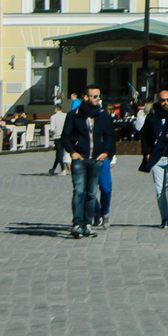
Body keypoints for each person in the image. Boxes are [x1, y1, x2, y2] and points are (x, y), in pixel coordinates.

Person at [63, 87, 114, 240]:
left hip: (97, 159)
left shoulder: (103, 115)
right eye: (95, 96)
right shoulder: (74, 115)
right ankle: (77, 224)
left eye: (99, 96)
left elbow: (109, 135)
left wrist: (106, 152)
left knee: (92, 194)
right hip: (80, 158)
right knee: (79, 192)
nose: (98, 99)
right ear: (85, 97)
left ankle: (88, 225)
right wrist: (72, 153)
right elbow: (65, 136)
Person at [140, 90, 168, 228]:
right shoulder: (152, 115)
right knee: (159, 190)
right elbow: (144, 135)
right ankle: (164, 217)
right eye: (163, 100)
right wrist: (146, 153)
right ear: (158, 101)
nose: (166, 103)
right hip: (157, 157)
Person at [47, 103, 67, 175]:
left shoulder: (53, 117)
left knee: (59, 153)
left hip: (57, 136)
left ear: (56, 108)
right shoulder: (65, 115)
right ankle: (53, 169)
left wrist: (51, 131)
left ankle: (63, 169)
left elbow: (52, 128)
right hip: (65, 136)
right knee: (59, 153)